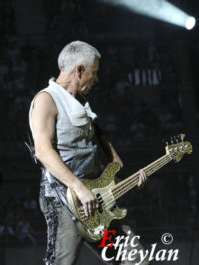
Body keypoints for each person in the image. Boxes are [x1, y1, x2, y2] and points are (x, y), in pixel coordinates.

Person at [28, 41, 148, 265]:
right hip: (64, 202)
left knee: (136, 261)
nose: (97, 79)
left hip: (97, 201)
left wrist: (123, 182)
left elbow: (95, 154)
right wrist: (79, 188)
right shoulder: (47, 99)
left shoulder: (81, 103)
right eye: (94, 73)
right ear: (79, 70)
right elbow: (43, 150)